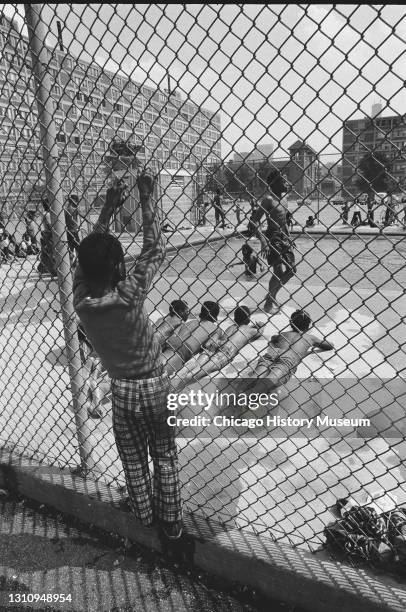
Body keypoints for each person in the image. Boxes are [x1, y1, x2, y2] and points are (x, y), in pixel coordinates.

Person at [73, 170, 183, 541]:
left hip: (121, 391)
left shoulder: (82, 303)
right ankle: (172, 522)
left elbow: (82, 262)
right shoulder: (129, 293)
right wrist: (147, 197)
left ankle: (144, 515)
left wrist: (106, 209)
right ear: (121, 267)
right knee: (164, 455)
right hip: (156, 386)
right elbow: (154, 249)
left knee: (133, 460)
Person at [171, 306, 266, 391]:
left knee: (197, 364)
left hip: (214, 347)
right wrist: (261, 324)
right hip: (226, 352)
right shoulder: (250, 330)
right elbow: (259, 331)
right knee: (203, 371)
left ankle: (183, 372)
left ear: (235, 318)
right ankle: (180, 386)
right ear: (248, 318)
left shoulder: (231, 327)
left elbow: (223, 339)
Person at [240, 309, 334, 393]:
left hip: (274, 352)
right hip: (289, 358)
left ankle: (240, 391)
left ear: (291, 324)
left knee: (257, 375)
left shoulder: (284, 334)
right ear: (308, 326)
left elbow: (273, 338)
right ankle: (248, 396)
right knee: (270, 380)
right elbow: (329, 346)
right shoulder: (310, 338)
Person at [247, 169, 296, 313]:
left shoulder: (285, 199)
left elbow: (284, 221)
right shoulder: (268, 200)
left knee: (292, 270)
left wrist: (289, 236)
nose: (287, 183)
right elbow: (254, 221)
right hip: (273, 238)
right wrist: (263, 241)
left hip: (284, 238)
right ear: (274, 183)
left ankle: (271, 297)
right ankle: (269, 303)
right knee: (278, 271)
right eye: (284, 181)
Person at [162, 300, 225, 375]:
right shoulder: (216, 329)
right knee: (161, 372)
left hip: (171, 341)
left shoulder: (191, 322)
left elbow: (176, 333)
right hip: (185, 349)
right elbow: (209, 345)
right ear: (216, 314)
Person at [37, 198, 57, 276]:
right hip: (50, 235)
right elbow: (49, 225)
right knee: (52, 253)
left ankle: (43, 267)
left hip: (47, 234)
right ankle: (53, 270)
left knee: (48, 252)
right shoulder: (48, 214)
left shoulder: (44, 213)